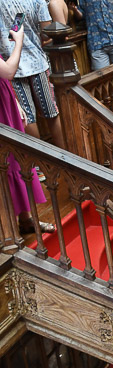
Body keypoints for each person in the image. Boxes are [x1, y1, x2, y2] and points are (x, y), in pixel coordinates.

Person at [0, 0, 64, 148]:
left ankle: (39, 166)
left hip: (9, 65)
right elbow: (47, 29)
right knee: (52, 112)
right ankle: (67, 158)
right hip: (37, 62)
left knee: (27, 118)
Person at [0, 24, 51, 236]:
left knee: (17, 158)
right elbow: (9, 71)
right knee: (6, 162)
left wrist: (15, 101)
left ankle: (26, 219)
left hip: (4, 100)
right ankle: (7, 229)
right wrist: (19, 41)